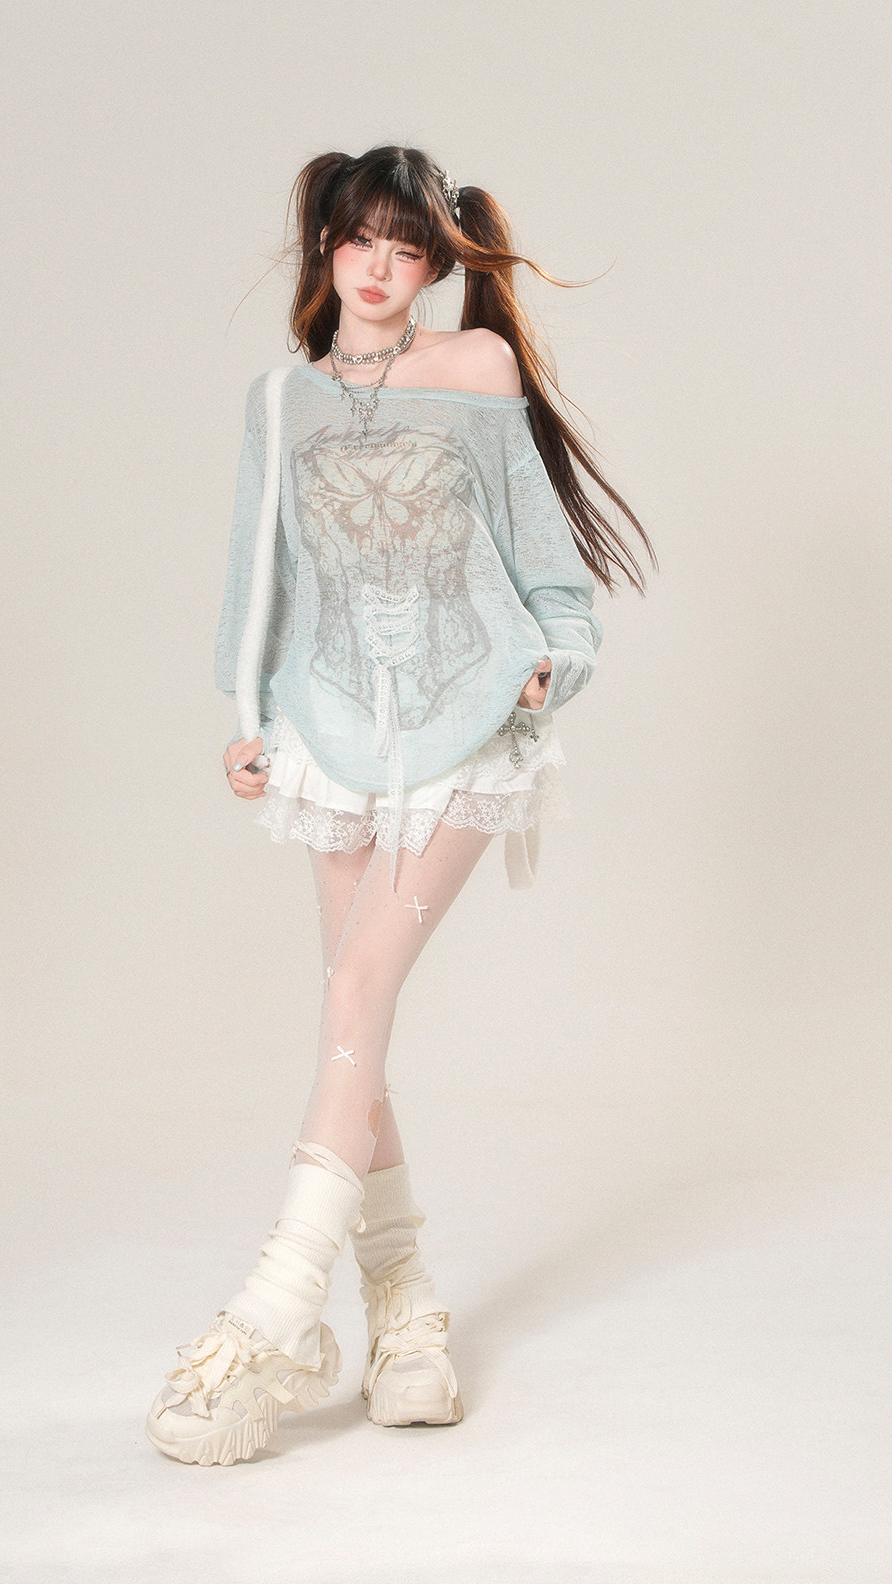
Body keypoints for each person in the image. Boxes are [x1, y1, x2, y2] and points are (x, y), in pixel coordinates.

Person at [146, 146, 655, 1466]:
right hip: (327, 731)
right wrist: (248, 720)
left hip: (469, 718)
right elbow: (258, 576)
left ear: (436, 262)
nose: (380, 267)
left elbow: (546, 564)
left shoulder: (475, 370)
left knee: (358, 987)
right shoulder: (280, 400)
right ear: (325, 248)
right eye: (359, 240)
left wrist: (557, 659)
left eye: (407, 247)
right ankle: (404, 1312)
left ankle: (272, 1310)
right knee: (353, 1012)